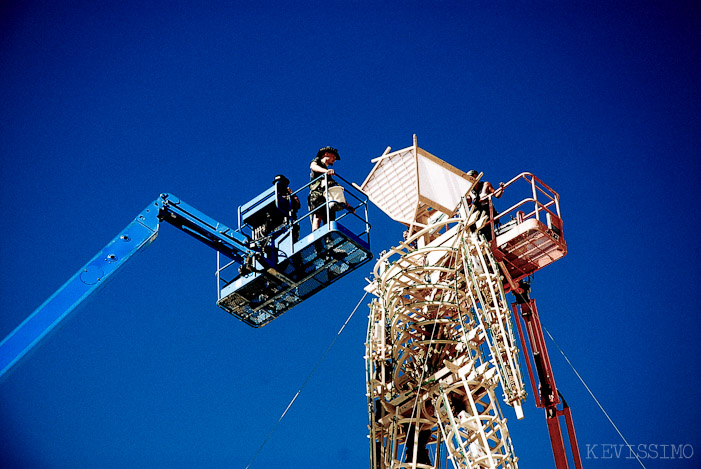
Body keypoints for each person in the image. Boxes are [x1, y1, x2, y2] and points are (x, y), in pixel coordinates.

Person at [308, 146, 351, 231]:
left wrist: (347, 205)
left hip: (328, 196)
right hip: (317, 194)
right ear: (326, 154)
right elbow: (313, 166)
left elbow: (335, 191)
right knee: (318, 216)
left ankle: (329, 239)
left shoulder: (328, 175)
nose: (334, 159)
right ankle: (316, 237)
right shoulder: (318, 162)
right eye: (334, 156)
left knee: (330, 218)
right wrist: (326, 171)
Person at [467, 170, 505, 241]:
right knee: (470, 224)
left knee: (483, 228)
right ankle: (476, 238)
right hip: (477, 212)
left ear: (475, 176)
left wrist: (501, 189)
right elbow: (468, 201)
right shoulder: (470, 191)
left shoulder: (486, 185)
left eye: (471, 177)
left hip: (487, 210)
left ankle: (487, 239)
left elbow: (497, 195)